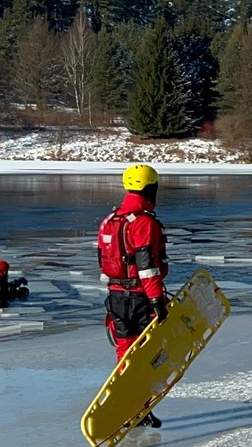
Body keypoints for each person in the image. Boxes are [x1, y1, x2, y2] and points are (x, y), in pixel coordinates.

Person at [97, 163, 168, 429]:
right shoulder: (143, 223)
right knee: (147, 355)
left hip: (115, 295)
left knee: (125, 351)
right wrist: (156, 300)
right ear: (151, 189)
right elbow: (147, 266)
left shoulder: (110, 220)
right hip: (140, 297)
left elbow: (104, 260)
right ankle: (138, 407)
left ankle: (132, 407)